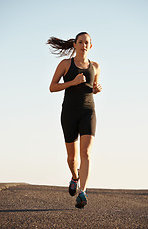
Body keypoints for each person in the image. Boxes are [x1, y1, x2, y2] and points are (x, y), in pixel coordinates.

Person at [47, 32, 102, 209]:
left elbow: (91, 89)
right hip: (69, 113)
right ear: (74, 45)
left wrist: (96, 89)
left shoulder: (95, 66)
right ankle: (75, 177)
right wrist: (72, 82)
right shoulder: (65, 64)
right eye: (80, 42)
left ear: (90, 46)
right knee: (72, 158)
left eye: (87, 43)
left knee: (86, 154)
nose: (83, 45)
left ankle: (83, 192)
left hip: (88, 112)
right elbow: (52, 87)